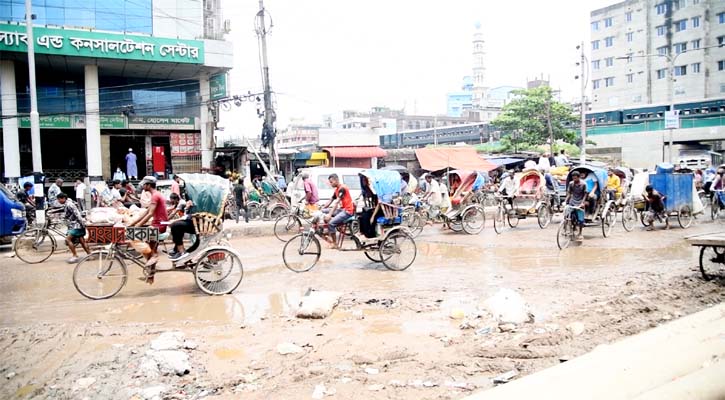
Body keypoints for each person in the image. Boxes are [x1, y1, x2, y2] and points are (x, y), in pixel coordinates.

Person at [128, 176, 168, 282]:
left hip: (159, 226)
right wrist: (132, 224)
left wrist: (137, 226)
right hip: (157, 225)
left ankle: (154, 257)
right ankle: (150, 275)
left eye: (144, 184)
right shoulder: (155, 195)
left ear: (148, 185)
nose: (143, 186)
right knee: (149, 249)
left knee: (133, 236)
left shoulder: (155, 196)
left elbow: (150, 214)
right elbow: (146, 212)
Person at [320, 174, 355, 248]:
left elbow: (336, 202)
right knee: (323, 211)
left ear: (336, 181)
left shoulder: (342, 188)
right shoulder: (337, 189)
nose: (330, 184)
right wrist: (322, 208)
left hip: (347, 211)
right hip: (341, 210)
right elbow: (331, 200)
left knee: (331, 223)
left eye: (331, 182)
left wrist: (329, 214)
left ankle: (335, 244)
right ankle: (328, 231)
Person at [56, 193, 91, 263]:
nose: (58, 201)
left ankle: (75, 255)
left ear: (63, 198)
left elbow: (77, 214)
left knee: (68, 239)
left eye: (59, 199)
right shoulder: (67, 204)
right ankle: (90, 254)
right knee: (82, 241)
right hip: (75, 225)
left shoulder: (69, 205)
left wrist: (82, 224)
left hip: (77, 225)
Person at [565, 171, 587, 240]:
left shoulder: (583, 184)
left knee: (581, 220)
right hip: (572, 201)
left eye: (575, 178)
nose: (574, 180)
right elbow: (569, 193)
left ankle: (580, 232)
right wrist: (565, 201)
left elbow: (585, 194)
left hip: (580, 202)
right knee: (567, 214)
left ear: (579, 177)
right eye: (573, 178)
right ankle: (568, 228)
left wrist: (582, 203)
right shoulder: (571, 184)